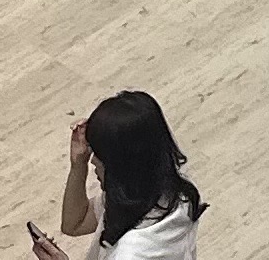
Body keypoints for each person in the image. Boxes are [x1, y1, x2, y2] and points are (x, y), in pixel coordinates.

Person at [37, 91, 208, 259]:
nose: (93, 161)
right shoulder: (173, 192)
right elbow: (75, 223)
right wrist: (78, 165)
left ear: (122, 165)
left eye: (100, 154)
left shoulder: (129, 253)